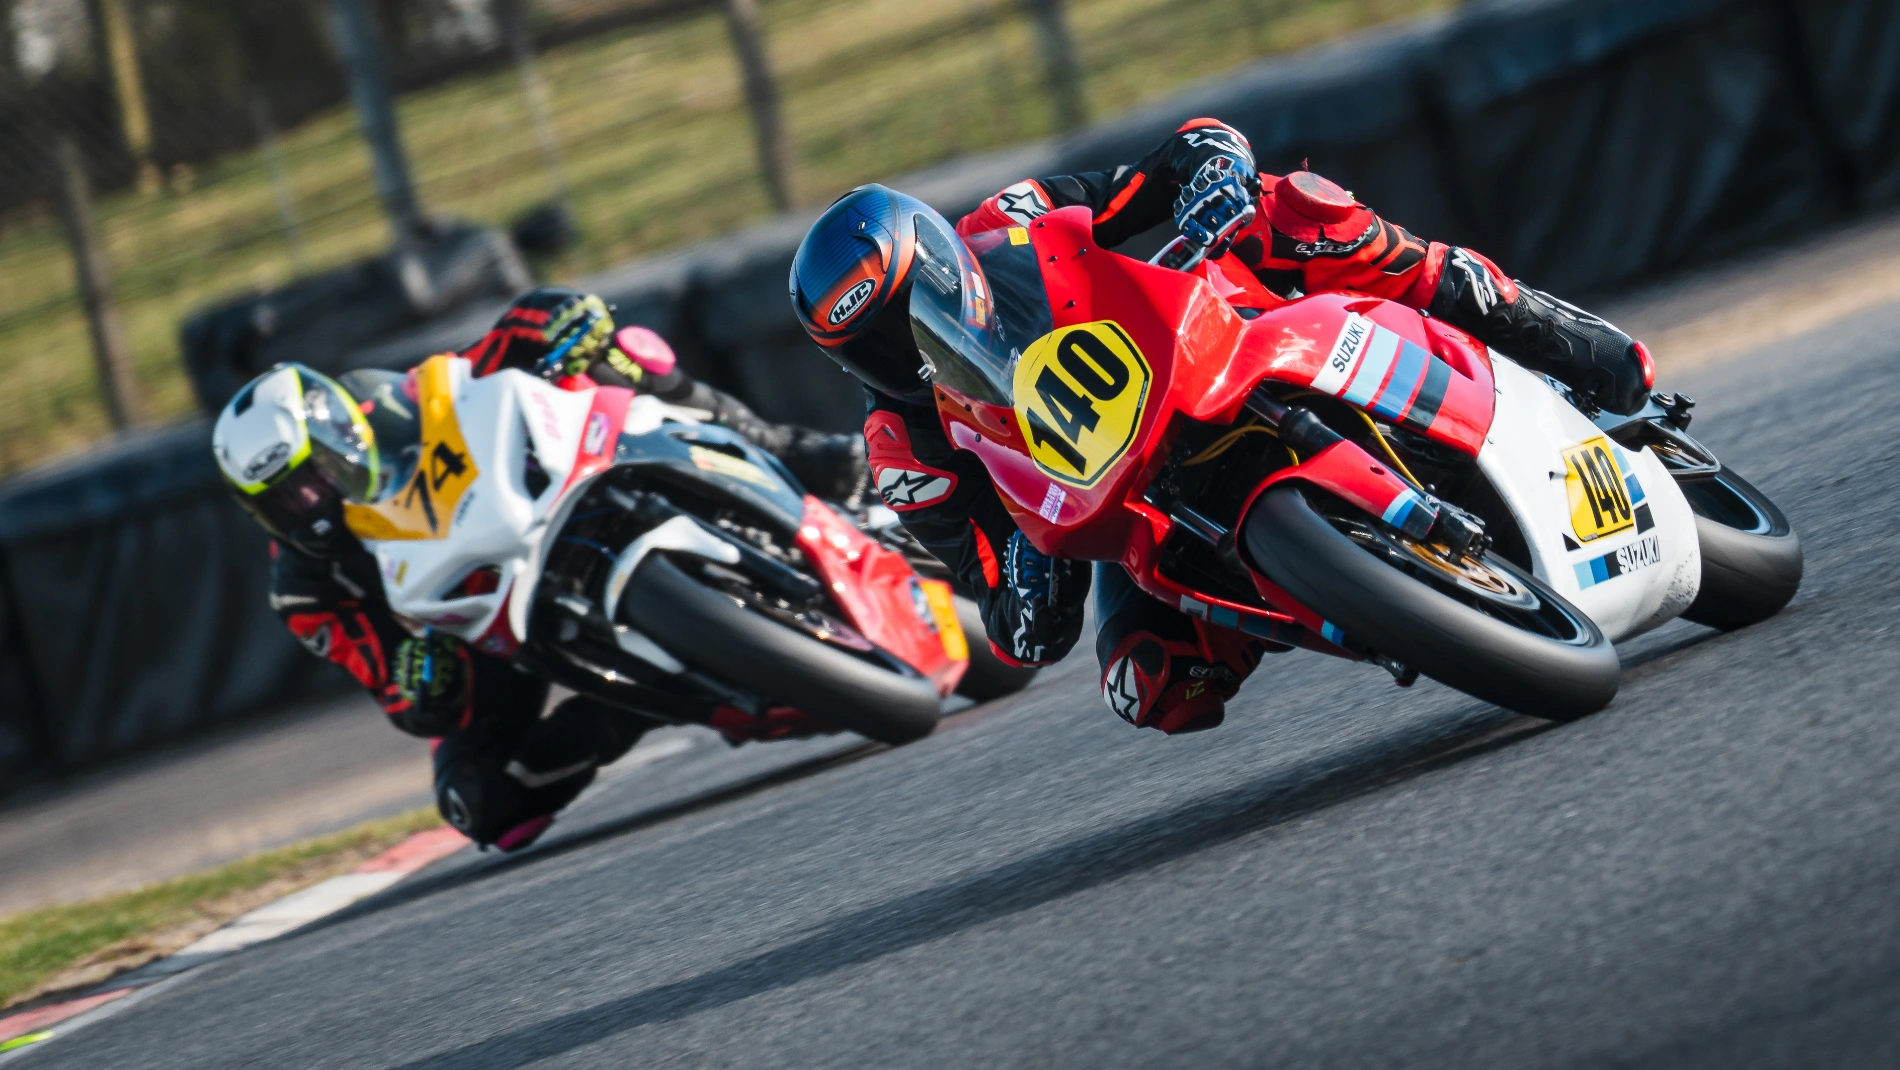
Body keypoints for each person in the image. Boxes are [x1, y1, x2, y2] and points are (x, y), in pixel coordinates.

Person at [789, 118, 1653, 736]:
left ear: (940, 258)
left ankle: (1534, 323)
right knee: (1149, 686)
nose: (906, 349)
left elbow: (1175, 157)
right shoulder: (907, 450)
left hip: (1210, 341)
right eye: (874, 348)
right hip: (1132, 503)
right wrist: (1027, 563)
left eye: (912, 311)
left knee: (1294, 210)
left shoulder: (1008, 222)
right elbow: (1016, 632)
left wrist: (1213, 176)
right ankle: (1381, 605)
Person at [213, 287, 866, 850]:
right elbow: (398, 694)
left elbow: (487, 354)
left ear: (338, 435)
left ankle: (794, 454)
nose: (307, 503)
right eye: (282, 500)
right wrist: (421, 685)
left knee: (620, 355)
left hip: (544, 494)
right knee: (480, 803)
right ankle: (647, 700)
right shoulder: (306, 589)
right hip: (480, 623)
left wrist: (559, 317)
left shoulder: (392, 408)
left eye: (310, 476)